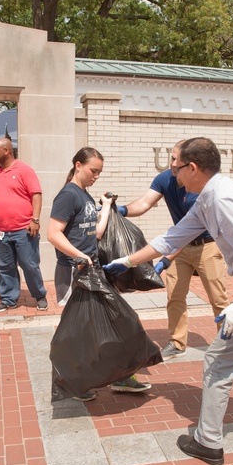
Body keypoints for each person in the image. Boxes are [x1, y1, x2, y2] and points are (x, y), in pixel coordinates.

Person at [105, 137, 233, 465]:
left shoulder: (225, 198)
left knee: (218, 360)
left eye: (175, 167)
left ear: (193, 168)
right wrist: (128, 261)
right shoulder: (207, 198)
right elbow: (172, 238)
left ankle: (208, 441)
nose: (172, 174)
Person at [47, 147, 152, 401]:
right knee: (86, 331)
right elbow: (53, 233)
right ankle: (76, 382)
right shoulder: (67, 196)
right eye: (93, 170)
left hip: (91, 270)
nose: (96, 176)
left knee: (106, 326)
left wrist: (105, 205)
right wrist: (79, 256)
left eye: (99, 172)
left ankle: (117, 376)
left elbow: (96, 232)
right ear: (78, 165)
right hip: (77, 272)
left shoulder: (84, 195)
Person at [118, 140, 229, 360]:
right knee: (175, 296)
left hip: (206, 246)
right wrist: (120, 210)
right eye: (171, 158)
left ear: (190, 165)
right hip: (180, 245)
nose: (172, 163)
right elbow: (143, 204)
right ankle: (177, 342)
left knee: (218, 299)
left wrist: (166, 258)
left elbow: (189, 230)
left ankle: (226, 346)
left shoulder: (200, 188)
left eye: (176, 159)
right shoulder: (164, 179)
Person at [0, 137, 48, 313]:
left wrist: (35, 219)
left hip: (24, 229)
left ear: (7, 151)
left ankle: (39, 296)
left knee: (30, 265)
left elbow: (36, 195)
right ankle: (9, 299)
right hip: (1, 230)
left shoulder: (25, 170)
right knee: (5, 267)